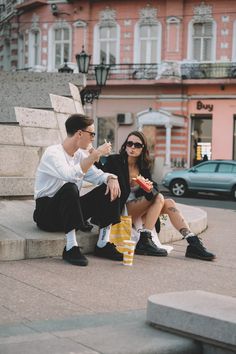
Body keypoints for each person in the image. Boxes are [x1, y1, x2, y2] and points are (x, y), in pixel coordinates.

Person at [100, 131, 216, 261]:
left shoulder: (143, 167)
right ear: (125, 145)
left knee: (169, 202)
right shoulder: (114, 160)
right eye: (130, 143)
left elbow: (153, 189)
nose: (132, 147)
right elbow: (101, 175)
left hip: (138, 210)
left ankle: (192, 242)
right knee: (159, 197)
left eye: (137, 145)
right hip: (121, 209)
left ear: (143, 148)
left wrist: (147, 188)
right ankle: (145, 239)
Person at [33, 113, 123, 266]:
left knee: (109, 185)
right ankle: (71, 247)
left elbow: (97, 176)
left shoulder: (80, 155)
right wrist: (96, 154)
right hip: (47, 213)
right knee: (70, 187)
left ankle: (103, 242)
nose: (93, 138)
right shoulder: (53, 153)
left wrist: (111, 178)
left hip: (69, 211)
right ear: (80, 133)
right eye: (92, 133)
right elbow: (68, 176)